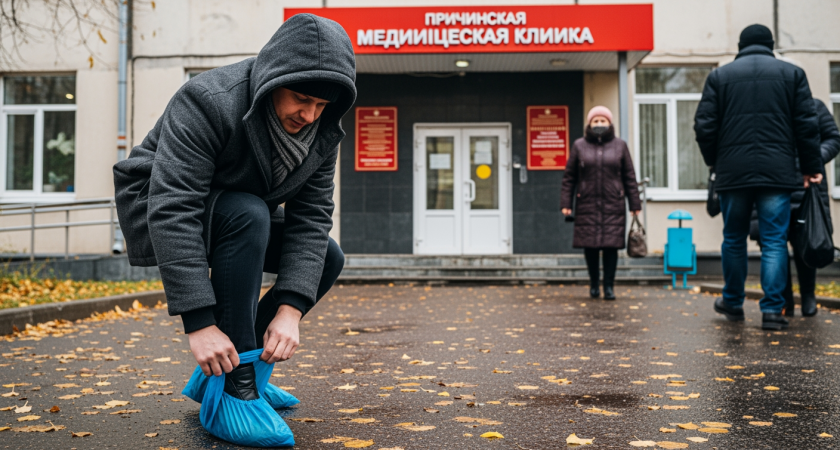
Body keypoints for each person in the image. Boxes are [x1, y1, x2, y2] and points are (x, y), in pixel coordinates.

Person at [113, 14, 355, 402]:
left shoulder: (322, 133)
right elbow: (174, 205)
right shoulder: (209, 99)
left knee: (327, 255)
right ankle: (235, 386)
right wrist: (201, 325)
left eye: (322, 105)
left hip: (237, 207)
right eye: (302, 99)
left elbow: (309, 220)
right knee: (248, 214)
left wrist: (291, 310)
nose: (309, 115)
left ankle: (241, 368)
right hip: (156, 200)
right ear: (273, 81)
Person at [694, 24, 823, 331]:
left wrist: (716, 161)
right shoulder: (792, 74)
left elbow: (704, 126)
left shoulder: (719, 77)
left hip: (733, 173)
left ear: (741, 45)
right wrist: (810, 166)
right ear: (770, 44)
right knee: (775, 240)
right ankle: (772, 311)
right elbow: (807, 125)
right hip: (777, 174)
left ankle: (734, 303)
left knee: (734, 239)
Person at [749, 98, 840, 316]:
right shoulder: (764, 107)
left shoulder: (814, 106)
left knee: (806, 242)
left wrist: (812, 160)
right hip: (769, 185)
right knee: (774, 245)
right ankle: (785, 299)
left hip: (807, 188)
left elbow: (833, 139)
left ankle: (808, 296)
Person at [561, 106, 641, 300]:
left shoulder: (620, 145)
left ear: (609, 123)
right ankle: (594, 285)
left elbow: (629, 176)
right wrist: (566, 203)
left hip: (613, 204)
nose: (599, 124)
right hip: (586, 204)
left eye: (602, 121)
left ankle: (609, 287)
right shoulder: (579, 145)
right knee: (590, 247)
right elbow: (569, 177)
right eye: (595, 121)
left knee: (611, 247)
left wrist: (635, 204)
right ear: (589, 123)